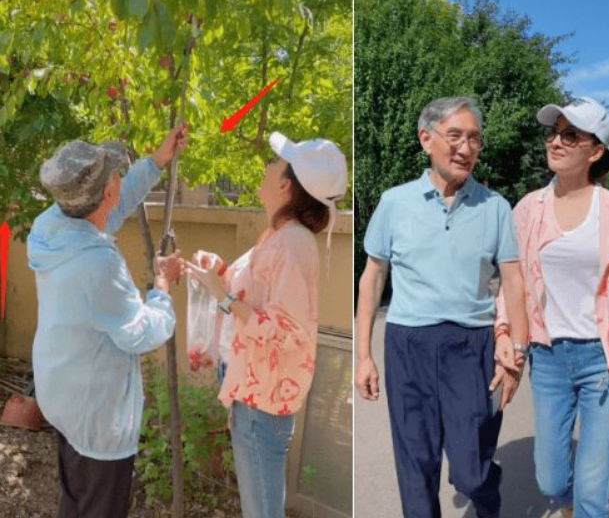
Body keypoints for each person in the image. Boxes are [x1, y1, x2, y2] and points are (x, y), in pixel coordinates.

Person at [355, 96, 529, 518]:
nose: (466, 148)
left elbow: (514, 282)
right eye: (455, 136)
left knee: (470, 472)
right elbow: (373, 275)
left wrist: (517, 354)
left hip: (470, 347)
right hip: (407, 343)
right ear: (426, 139)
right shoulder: (394, 202)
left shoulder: (496, 208)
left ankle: (488, 488)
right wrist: (363, 355)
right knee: (416, 465)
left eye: (474, 139)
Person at [495, 97, 609, 518]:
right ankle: (564, 506)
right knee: (551, 478)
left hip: (605, 361)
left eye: (570, 134)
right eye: (553, 132)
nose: (556, 141)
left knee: (593, 484)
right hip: (549, 359)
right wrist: (505, 335)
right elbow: (512, 284)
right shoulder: (528, 209)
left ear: (596, 150)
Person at [28, 124, 188, 518]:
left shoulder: (52, 226)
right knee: (100, 506)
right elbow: (142, 333)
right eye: (114, 176)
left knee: (75, 499)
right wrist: (163, 289)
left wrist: (155, 162)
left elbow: (109, 209)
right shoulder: (97, 264)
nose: (118, 179)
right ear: (107, 193)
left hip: (64, 396)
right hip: (97, 417)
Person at [185, 132, 348, 518]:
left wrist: (222, 296)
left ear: (285, 185)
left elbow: (287, 331)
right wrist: (219, 272)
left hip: (262, 405)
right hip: (253, 394)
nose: (268, 164)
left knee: (261, 511)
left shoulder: (292, 243)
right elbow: (254, 296)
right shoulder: (277, 236)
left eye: (276, 161)